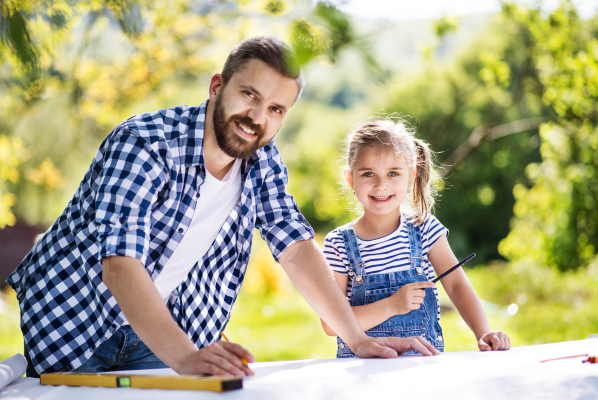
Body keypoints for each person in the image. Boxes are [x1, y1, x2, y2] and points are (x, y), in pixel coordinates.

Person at [7, 37, 440, 378]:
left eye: (275, 108)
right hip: (75, 328)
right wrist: (185, 357)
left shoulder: (263, 161)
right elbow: (120, 265)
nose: (257, 117)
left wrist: (357, 337)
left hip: (165, 333)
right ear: (217, 86)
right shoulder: (145, 143)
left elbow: (294, 245)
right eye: (249, 95)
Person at [320, 118, 511, 357]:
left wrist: (483, 333)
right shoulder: (338, 244)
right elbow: (330, 324)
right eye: (369, 173)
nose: (381, 185)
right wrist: (391, 305)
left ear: (411, 177)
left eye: (393, 173)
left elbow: (456, 284)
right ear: (351, 180)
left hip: (422, 369)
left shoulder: (425, 228)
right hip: (363, 373)